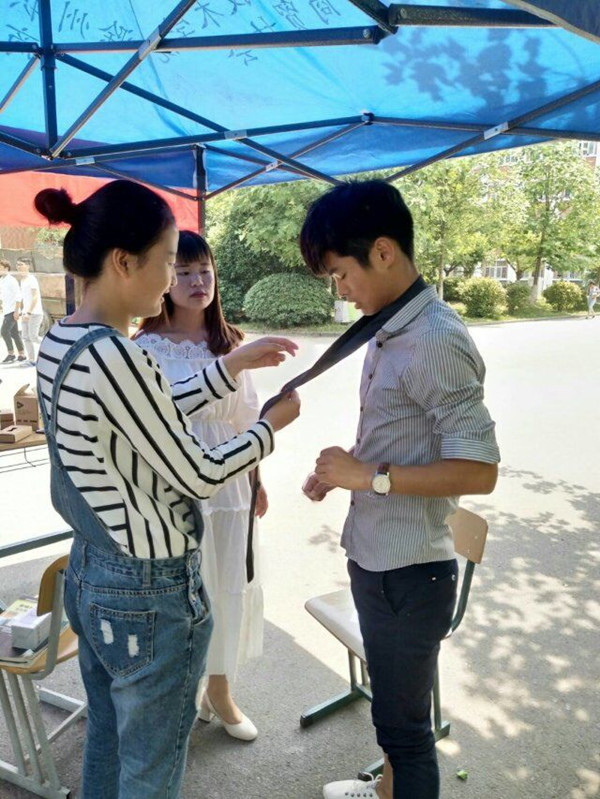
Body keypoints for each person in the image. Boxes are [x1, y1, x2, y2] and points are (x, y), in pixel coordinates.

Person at [34, 179, 300, 799]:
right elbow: (198, 472)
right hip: (146, 588)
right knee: (151, 769)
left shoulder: (63, 340)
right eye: (167, 262)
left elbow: (145, 413)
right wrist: (267, 430)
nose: (171, 280)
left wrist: (229, 365)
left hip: (93, 567)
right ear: (124, 262)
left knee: (109, 739)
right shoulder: (117, 356)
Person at [299, 180, 500, 799]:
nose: (339, 289)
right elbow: (401, 435)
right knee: (394, 718)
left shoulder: (436, 339)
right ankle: (385, 790)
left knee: (406, 735)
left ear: (383, 252)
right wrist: (344, 472)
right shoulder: (389, 326)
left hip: (409, 575)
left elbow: (480, 471)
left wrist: (369, 477)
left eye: (341, 273)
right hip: (379, 559)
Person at [134, 231, 265, 742]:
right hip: (172, 489)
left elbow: (249, 420)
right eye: (183, 271)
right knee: (181, 595)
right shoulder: (142, 348)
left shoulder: (230, 343)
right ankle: (179, 692)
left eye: (205, 270)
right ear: (164, 279)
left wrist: (257, 481)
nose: (197, 281)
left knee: (227, 584)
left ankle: (220, 691)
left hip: (230, 487)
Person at [16, 259, 44, 365]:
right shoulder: (22, 280)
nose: (18, 266)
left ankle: (52, 347)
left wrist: (29, 312)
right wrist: (22, 311)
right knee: (26, 337)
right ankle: (31, 360)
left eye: (21, 264)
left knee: (33, 337)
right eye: (17, 265)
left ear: (28, 266)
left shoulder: (32, 279)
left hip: (34, 313)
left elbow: (35, 297)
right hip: (25, 313)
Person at [0, 259, 25, 363]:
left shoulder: (11, 280)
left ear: (6, 268)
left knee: (4, 331)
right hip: (7, 310)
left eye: (0, 268)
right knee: (14, 333)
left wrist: (16, 311)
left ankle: (11, 354)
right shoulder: (2, 280)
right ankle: (22, 354)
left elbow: (18, 296)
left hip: (12, 311)